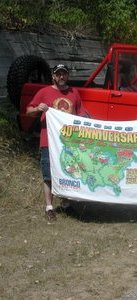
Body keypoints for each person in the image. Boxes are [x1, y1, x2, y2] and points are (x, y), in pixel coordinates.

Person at [26, 64, 88, 221]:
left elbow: (81, 114)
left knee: (69, 172)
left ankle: (66, 204)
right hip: (48, 141)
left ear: (67, 76)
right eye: (58, 74)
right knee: (48, 175)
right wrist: (38, 108)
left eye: (64, 74)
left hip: (69, 143)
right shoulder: (44, 92)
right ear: (53, 76)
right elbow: (28, 111)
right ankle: (49, 207)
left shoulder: (74, 93)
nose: (61, 77)